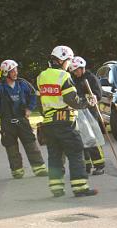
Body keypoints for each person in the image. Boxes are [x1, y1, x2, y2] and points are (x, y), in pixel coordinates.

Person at [37, 46, 98, 197]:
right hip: (65, 122)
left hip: (49, 123)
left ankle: (56, 188)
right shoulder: (63, 76)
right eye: (68, 61)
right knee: (76, 152)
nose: (69, 64)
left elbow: (39, 102)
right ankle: (80, 187)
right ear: (61, 60)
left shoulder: (41, 77)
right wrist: (88, 102)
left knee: (55, 155)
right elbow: (72, 100)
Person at [0, 60, 48, 179]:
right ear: (5, 73)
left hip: (22, 120)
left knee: (31, 144)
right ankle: (17, 171)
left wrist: (30, 108)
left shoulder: (23, 83)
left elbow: (33, 95)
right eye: (12, 71)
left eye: (16, 70)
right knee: (11, 147)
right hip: (7, 122)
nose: (15, 73)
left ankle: (39, 168)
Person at [70, 56, 105, 176]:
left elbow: (98, 95)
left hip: (90, 112)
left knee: (91, 138)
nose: (75, 73)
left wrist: (86, 98)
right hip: (78, 112)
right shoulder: (73, 79)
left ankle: (99, 165)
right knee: (81, 139)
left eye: (76, 70)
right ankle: (87, 165)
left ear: (82, 68)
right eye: (73, 71)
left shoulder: (91, 79)